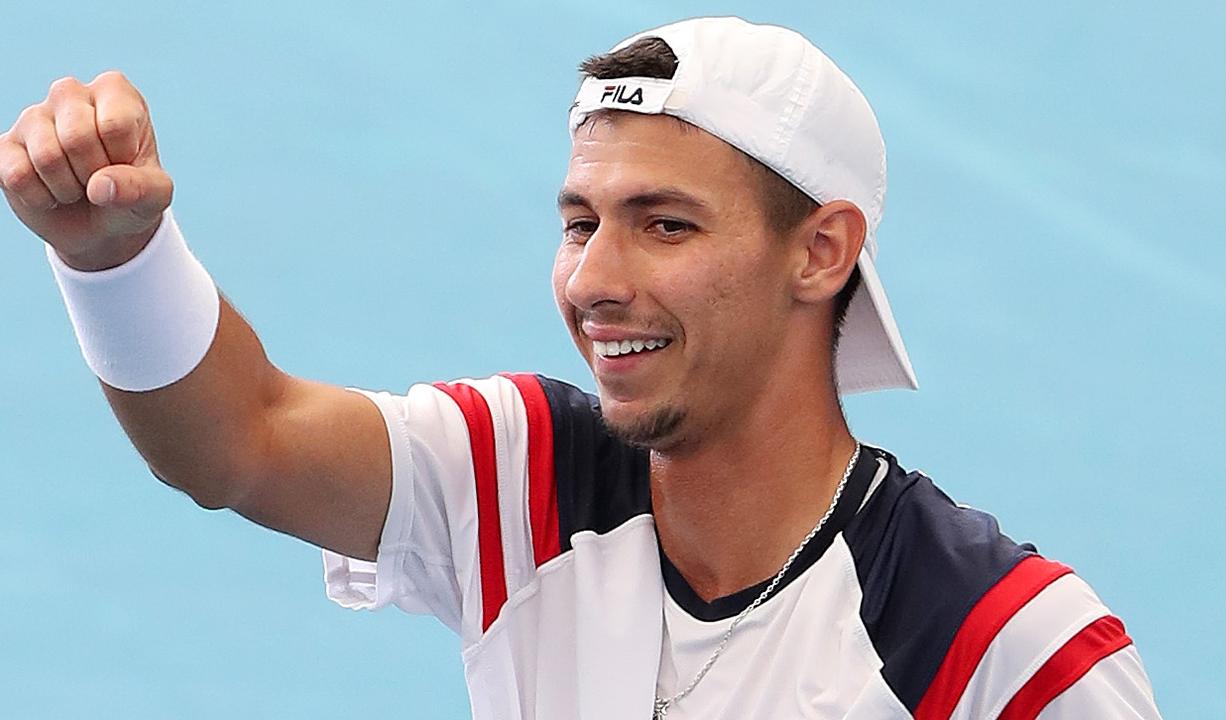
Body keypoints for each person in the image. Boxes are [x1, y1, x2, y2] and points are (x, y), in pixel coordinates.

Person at [1, 16, 1162, 720]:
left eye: (663, 225)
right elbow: (236, 440)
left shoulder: (999, 646)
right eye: (576, 223)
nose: (591, 280)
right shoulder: (518, 477)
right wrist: (117, 259)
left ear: (820, 253)